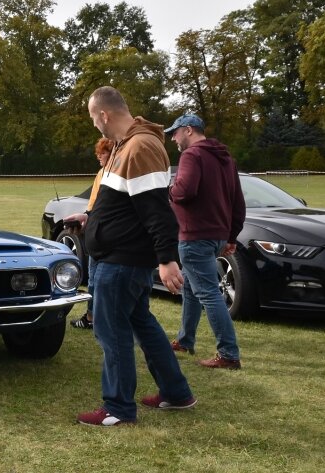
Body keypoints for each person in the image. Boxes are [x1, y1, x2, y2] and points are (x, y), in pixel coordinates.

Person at [70, 86, 196, 426]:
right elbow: (125, 203)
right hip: (119, 259)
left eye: (93, 119)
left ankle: (118, 409)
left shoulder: (140, 146)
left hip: (121, 262)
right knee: (143, 325)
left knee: (112, 334)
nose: (95, 126)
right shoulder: (125, 145)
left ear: (104, 115)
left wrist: (167, 258)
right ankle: (176, 392)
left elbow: (156, 209)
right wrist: (90, 219)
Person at [166, 114, 245, 370]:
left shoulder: (191, 156)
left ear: (188, 130)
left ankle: (229, 354)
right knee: (191, 287)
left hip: (195, 235)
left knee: (209, 293)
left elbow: (185, 190)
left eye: (175, 132)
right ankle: (185, 340)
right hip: (216, 235)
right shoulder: (226, 159)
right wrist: (231, 236)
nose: (173, 138)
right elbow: (237, 202)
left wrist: (168, 189)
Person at [69, 137, 115, 330]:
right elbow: (94, 204)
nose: (98, 156)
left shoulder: (115, 176)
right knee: (94, 279)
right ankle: (91, 316)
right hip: (96, 232)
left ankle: (96, 318)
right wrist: (86, 216)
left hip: (107, 236)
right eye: (98, 152)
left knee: (99, 281)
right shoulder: (101, 173)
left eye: (102, 152)